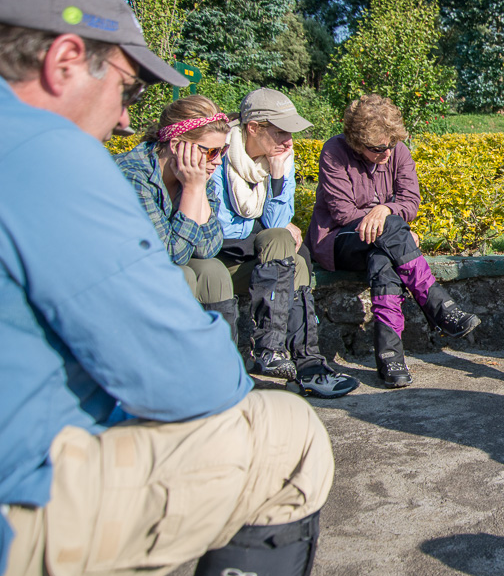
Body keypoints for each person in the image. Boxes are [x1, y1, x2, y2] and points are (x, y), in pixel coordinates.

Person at [0, 0, 335, 576]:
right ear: (64, 59)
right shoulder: (46, 153)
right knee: (289, 439)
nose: (127, 117)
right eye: (125, 85)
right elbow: (199, 382)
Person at [305, 94, 481, 388]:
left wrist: (386, 212)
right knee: (392, 228)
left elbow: (411, 200)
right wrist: (394, 227)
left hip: (382, 246)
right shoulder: (334, 151)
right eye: (377, 149)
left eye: (390, 144)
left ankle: (391, 358)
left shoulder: (397, 151)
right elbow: (343, 212)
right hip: (339, 239)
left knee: (382, 260)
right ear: (356, 142)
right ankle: (439, 306)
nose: (386, 153)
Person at [216, 87, 358, 399]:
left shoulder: (279, 159)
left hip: (263, 257)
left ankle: (286, 356)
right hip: (218, 259)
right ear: (253, 128)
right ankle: (304, 366)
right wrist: (262, 228)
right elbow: (224, 229)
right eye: (281, 132)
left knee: (293, 254)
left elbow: (277, 220)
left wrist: (278, 179)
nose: (289, 142)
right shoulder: (217, 153)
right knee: (286, 248)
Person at [114, 94, 239, 342]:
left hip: (159, 268)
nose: (217, 160)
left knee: (212, 270)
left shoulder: (200, 173)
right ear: (177, 146)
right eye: (211, 151)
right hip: (116, 274)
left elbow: (209, 248)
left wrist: (197, 187)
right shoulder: (132, 176)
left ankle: (219, 363)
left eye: (223, 150)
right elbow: (173, 256)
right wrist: (193, 189)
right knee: (182, 274)